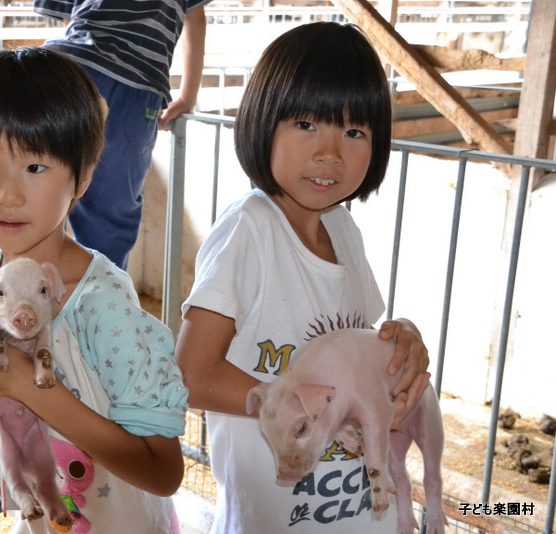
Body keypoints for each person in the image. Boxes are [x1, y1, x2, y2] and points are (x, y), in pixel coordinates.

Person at [174, 22, 432, 533]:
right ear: (262, 123)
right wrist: (309, 412)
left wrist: (403, 338)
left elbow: (361, 345)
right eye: (307, 124)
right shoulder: (250, 229)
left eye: (354, 132)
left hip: (359, 515)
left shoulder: (343, 229)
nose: (330, 152)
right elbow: (191, 376)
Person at [0, 48, 188, 533]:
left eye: (34, 168)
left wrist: (24, 381)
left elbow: (163, 471)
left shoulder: (103, 302)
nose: (6, 194)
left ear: (83, 177)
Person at [0, 0, 212, 269]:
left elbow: (68, 21)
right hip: (136, 90)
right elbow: (195, 18)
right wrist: (187, 97)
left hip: (75, 65)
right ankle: (100, 305)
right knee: (109, 219)